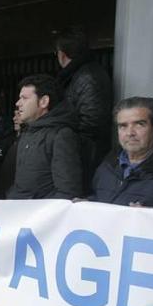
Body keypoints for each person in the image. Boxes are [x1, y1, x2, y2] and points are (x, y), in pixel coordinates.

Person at [7, 74, 82, 199]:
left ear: (44, 102)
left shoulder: (62, 135)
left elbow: (67, 192)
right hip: (18, 212)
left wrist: (42, 216)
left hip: (39, 216)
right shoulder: (27, 133)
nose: (18, 103)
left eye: (24, 98)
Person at [55, 30, 113, 191]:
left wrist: (66, 138)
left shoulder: (86, 76)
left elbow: (92, 121)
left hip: (86, 154)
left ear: (62, 55)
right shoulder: (84, 74)